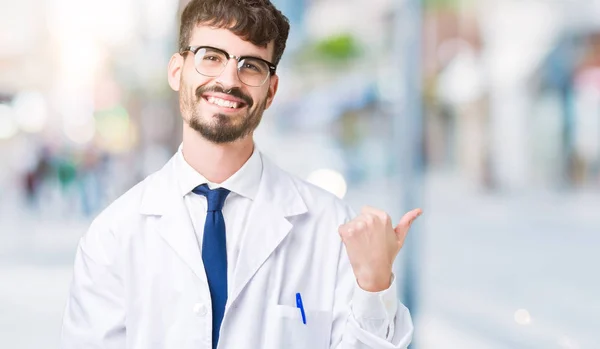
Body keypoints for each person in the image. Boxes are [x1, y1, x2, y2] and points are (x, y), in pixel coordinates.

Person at [59, 0, 422, 348]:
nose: (229, 80)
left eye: (251, 65)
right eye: (211, 58)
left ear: (271, 91)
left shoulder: (331, 228)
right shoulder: (112, 236)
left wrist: (375, 285)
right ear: (176, 70)